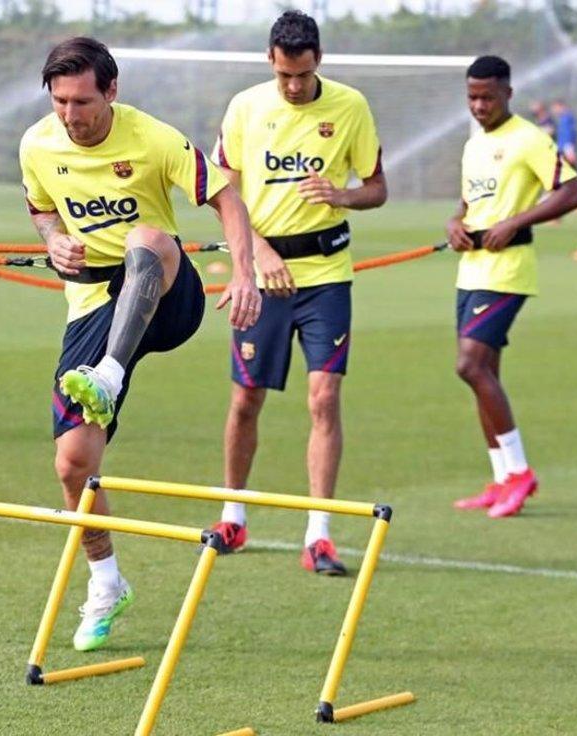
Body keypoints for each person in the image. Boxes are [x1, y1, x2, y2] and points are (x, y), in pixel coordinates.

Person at [19, 37, 260, 651]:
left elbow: (225, 195)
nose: (70, 116)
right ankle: (106, 583)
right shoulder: (37, 143)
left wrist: (246, 272)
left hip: (167, 293)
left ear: (112, 91)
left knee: (148, 237)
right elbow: (41, 209)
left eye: (82, 101)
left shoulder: (154, 138)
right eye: (59, 102)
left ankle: (111, 376)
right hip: (92, 305)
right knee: (74, 463)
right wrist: (52, 240)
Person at [205, 10, 387, 575]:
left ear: (318, 62)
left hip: (327, 276)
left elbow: (377, 189)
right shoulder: (245, 108)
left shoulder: (350, 107)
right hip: (262, 277)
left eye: (302, 76)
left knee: (324, 398)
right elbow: (220, 191)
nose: (292, 86)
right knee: (245, 399)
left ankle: (319, 533)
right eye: (284, 75)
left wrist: (342, 195)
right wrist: (258, 253)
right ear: (270, 60)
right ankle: (234, 514)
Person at [447, 56, 577, 518]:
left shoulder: (529, 139)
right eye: (472, 97)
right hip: (471, 270)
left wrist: (517, 221)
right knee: (487, 374)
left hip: (507, 272)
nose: (479, 105)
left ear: (508, 92)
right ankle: (501, 477)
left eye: (487, 96)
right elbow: (469, 203)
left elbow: (572, 192)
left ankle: (522, 473)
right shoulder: (474, 145)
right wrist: (455, 224)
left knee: (469, 366)